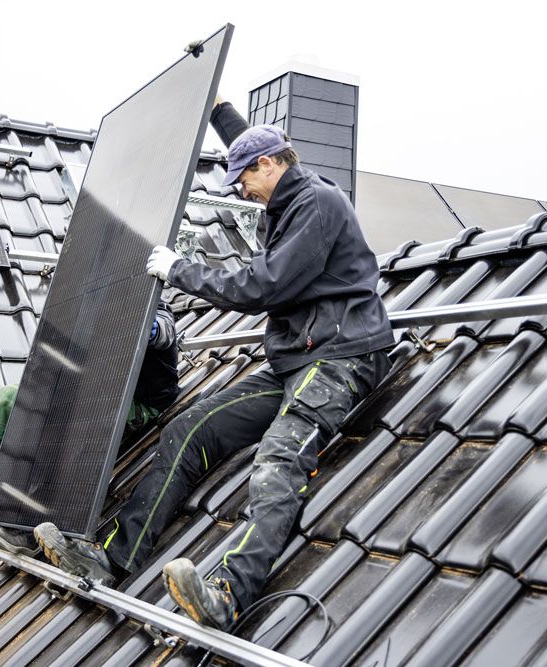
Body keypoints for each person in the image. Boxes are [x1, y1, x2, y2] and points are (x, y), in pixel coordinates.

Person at [34, 97, 393, 630]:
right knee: (189, 429)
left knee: (278, 459)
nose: (240, 192)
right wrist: (218, 109)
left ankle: (227, 591)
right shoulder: (286, 192)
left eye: (244, 180)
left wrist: (182, 270)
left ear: (270, 166)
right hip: (297, 359)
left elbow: (263, 286)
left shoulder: (317, 204)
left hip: (341, 357)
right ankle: (111, 558)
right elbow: (253, 144)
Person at [0, 299, 179, 555]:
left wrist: (145, 326)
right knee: (10, 398)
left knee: (80, 415)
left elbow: (163, 329)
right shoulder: (94, 300)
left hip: (136, 402)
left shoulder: (154, 305)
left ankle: (29, 527)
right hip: (88, 386)